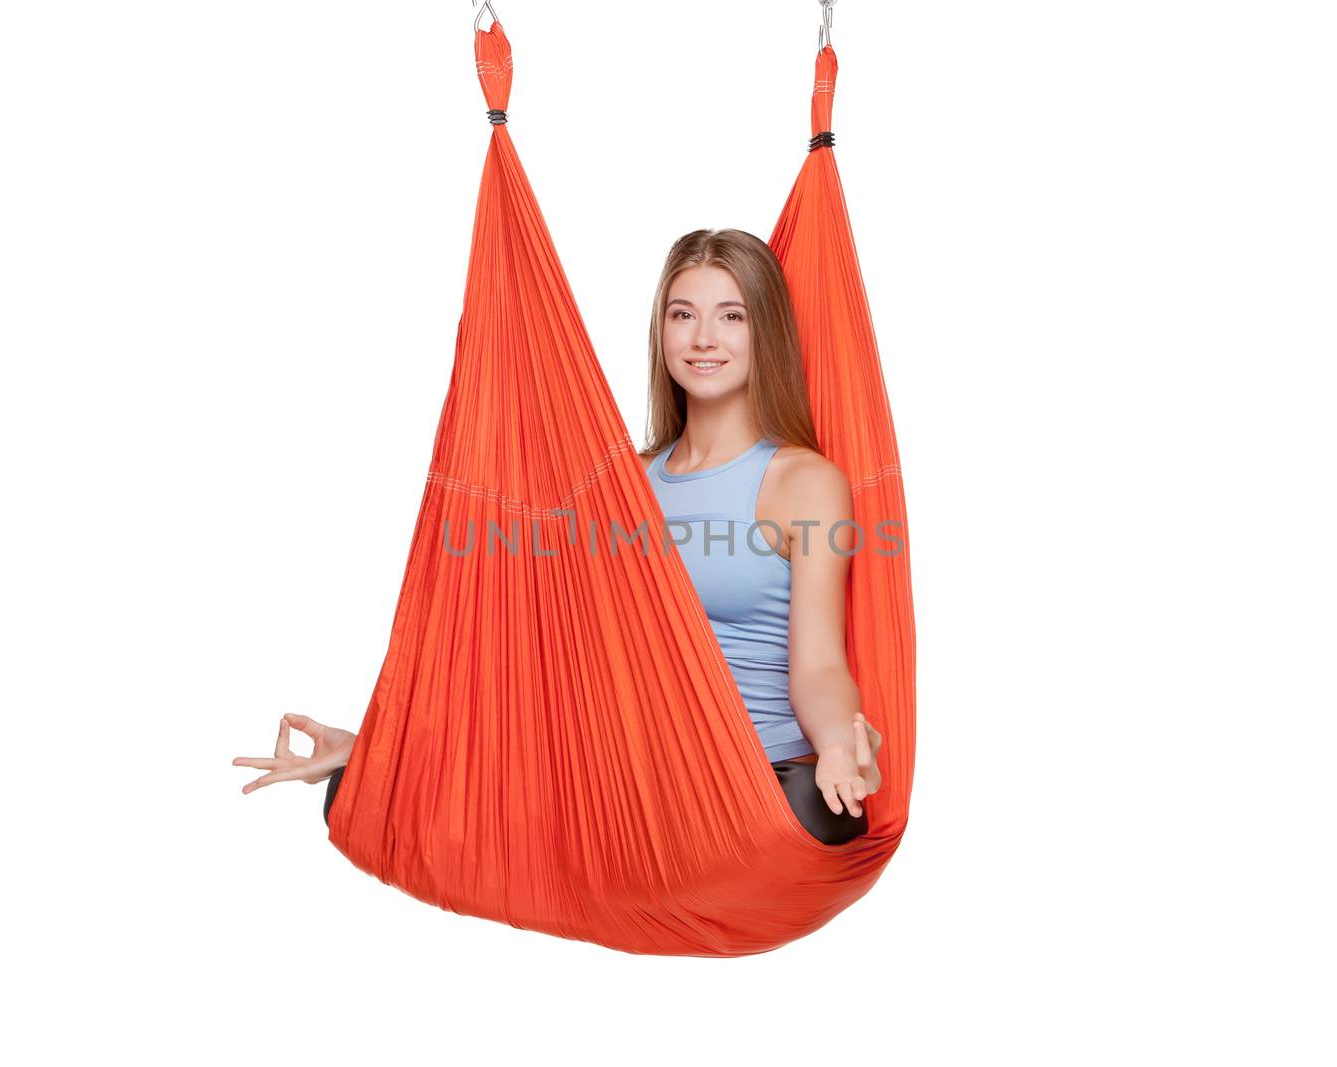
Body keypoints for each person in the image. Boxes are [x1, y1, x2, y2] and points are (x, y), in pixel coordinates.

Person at [234, 228, 884, 846]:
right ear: (661, 331)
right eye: (683, 314)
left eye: (732, 316)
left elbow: (821, 664)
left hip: (750, 779)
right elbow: (553, 668)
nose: (704, 337)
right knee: (357, 794)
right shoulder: (626, 482)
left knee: (819, 813)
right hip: (627, 777)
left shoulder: (800, 481)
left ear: (763, 330)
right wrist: (385, 746)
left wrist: (835, 745)